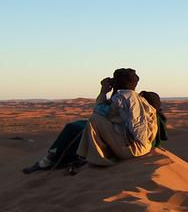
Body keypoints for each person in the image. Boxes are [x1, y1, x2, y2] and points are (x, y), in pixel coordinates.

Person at [23, 68, 161, 173]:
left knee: (94, 120)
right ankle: (72, 157)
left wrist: (103, 91)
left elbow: (99, 112)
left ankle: (95, 159)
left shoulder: (125, 97)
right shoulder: (132, 97)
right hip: (138, 146)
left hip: (134, 149)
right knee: (80, 125)